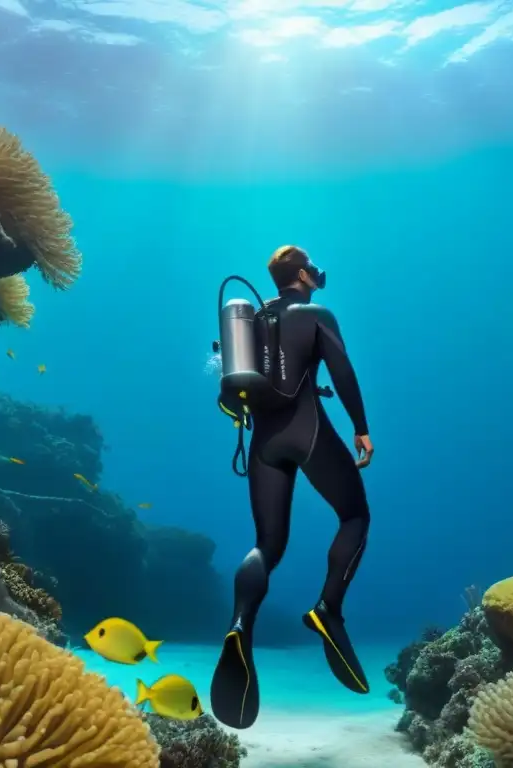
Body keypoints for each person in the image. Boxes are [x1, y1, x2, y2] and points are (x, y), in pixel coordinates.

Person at [211, 245, 375, 729]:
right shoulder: (316, 313)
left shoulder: (252, 319)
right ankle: (329, 609)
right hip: (307, 432)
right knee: (355, 515)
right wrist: (361, 428)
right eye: (314, 267)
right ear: (303, 274)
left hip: (264, 443)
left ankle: (241, 622)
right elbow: (342, 372)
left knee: (266, 545)